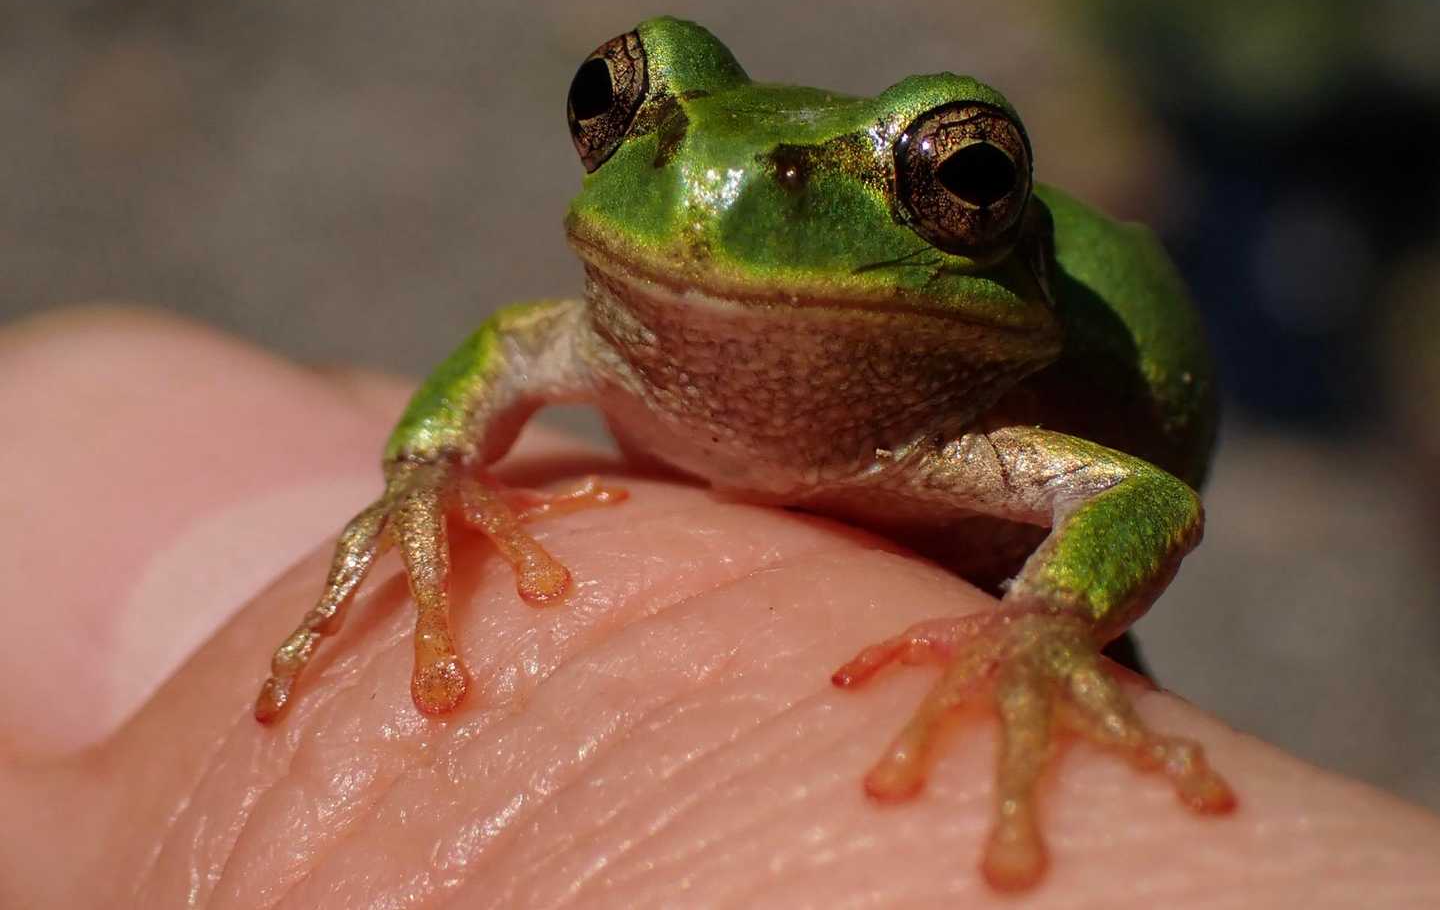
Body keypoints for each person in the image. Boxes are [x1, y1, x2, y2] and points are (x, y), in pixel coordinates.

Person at [3, 305, 1438, 906]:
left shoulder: (975, 433)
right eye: (614, 111)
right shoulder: (609, 331)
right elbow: (509, 349)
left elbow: (1142, 497)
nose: (715, 205)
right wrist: (426, 466)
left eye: (959, 174)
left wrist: (1052, 609)